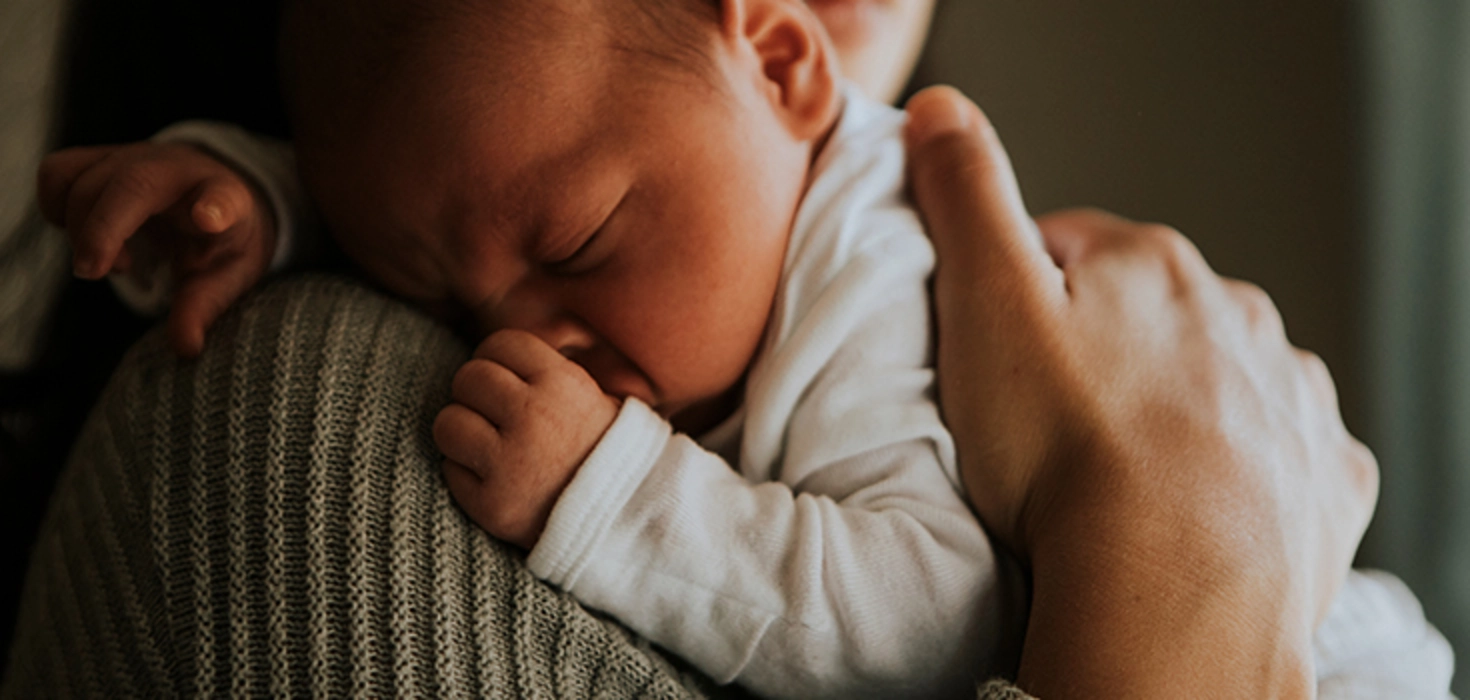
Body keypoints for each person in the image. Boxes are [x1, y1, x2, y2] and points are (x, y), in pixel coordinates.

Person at [5, 1, 1451, 698]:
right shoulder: (636, 161)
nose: (519, 336)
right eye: (433, 296)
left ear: (780, 62)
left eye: (578, 248)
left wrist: (619, 498)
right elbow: (469, 184)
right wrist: (258, 201)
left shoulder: (867, 279)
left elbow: (928, 615)